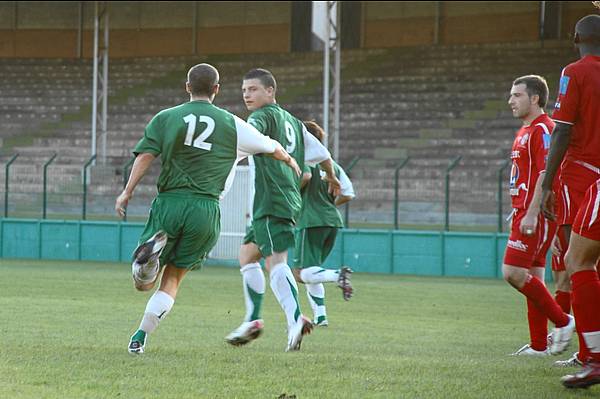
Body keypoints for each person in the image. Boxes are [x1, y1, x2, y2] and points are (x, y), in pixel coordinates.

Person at [115, 63, 301, 354]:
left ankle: (146, 266)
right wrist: (290, 161)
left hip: (170, 202)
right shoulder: (233, 123)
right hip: (206, 209)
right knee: (174, 278)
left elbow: (146, 155)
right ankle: (139, 336)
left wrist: (127, 192)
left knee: (143, 285)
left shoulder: (166, 117)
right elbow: (272, 147)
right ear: (217, 89)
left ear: (187, 86)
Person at [225, 68, 341, 352]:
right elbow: (323, 154)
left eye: (253, 89)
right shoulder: (296, 123)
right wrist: (333, 176)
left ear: (270, 91)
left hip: (271, 199)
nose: (246, 95)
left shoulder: (261, 118)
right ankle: (253, 319)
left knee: (276, 261)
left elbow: (244, 141)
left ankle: (294, 320)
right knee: (248, 254)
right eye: (243, 90)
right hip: (284, 199)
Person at [540, 13, 600, 388]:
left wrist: (546, 183)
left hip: (586, 177)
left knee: (577, 260)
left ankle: (593, 356)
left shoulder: (575, 71)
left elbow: (562, 129)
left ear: (576, 37)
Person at [503, 75, 575, 357]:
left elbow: (546, 173)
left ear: (535, 98)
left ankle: (562, 321)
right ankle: (538, 345)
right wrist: (518, 208)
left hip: (536, 213)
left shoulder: (544, 128)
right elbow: (527, 174)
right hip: (524, 210)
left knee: (513, 272)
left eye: (517, 95)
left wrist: (532, 213)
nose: (511, 100)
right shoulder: (525, 129)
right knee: (533, 277)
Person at [291, 120, 355, 327]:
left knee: (299, 273)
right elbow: (348, 193)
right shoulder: (332, 165)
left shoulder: (304, 159)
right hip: (331, 221)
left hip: (310, 220)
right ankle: (321, 317)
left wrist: (290, 191)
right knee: (313, 270)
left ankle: (338, 275)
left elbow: (307, 176)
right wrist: (328, 206)